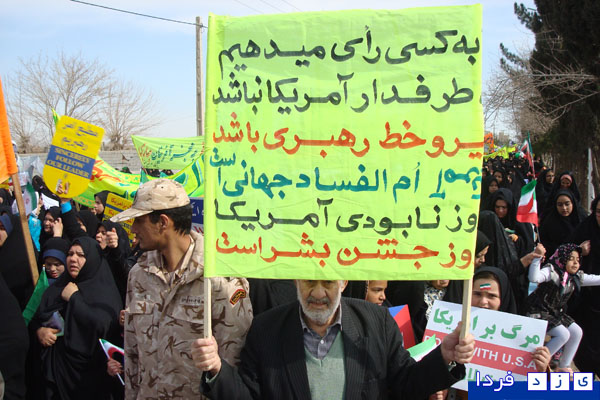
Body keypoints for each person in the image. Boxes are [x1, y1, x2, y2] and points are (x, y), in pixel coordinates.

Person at [192, 279, 475, 400]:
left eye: (327, 282)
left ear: (343, 283)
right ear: (296, 282)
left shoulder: (377, 323)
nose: (317, 293)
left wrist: (445, 358)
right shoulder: (267, 329)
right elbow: (248, 396)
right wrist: (217, 370)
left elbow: (406, 384)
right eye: (309, 281)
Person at [110, 179, 253, 400]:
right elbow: (132, 355)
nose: (134, 229)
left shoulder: (220, 280)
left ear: (162, 222)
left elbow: (233, 363)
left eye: (139, 220)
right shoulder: (139, 275)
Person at [32, 236, 123, 399]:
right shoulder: (58, 288)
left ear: (93, 260)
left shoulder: (104, 293)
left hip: (90, 378)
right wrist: (40, 331)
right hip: (55, 373)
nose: (73, 259)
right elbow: (36, 319)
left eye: (81, 255)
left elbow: (102, 326)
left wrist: (75, 299)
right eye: (70, 254)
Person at [525, 243, 600, 373]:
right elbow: (534, 277)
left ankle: (564, 366)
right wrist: (538, 258)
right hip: (537, 311)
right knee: (563, 334)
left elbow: (596, 279)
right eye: (571, 259)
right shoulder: (551, 271)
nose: (575, 263)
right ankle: (535, 362)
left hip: (555, 313)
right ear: (562, 258)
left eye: (578, 260)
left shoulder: (575, 278)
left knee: (576, 332)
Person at [570, 195, 600, 375]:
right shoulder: (584, 230)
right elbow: (564, 257)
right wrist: (579, 250)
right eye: (599, 212)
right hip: (586, 301)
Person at [539, 189, 586, 257]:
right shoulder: (549, 222)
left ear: (572, 203)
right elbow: (545, 244)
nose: (564, 208)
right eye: (560, 205)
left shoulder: (582, 219)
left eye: (567, 204)